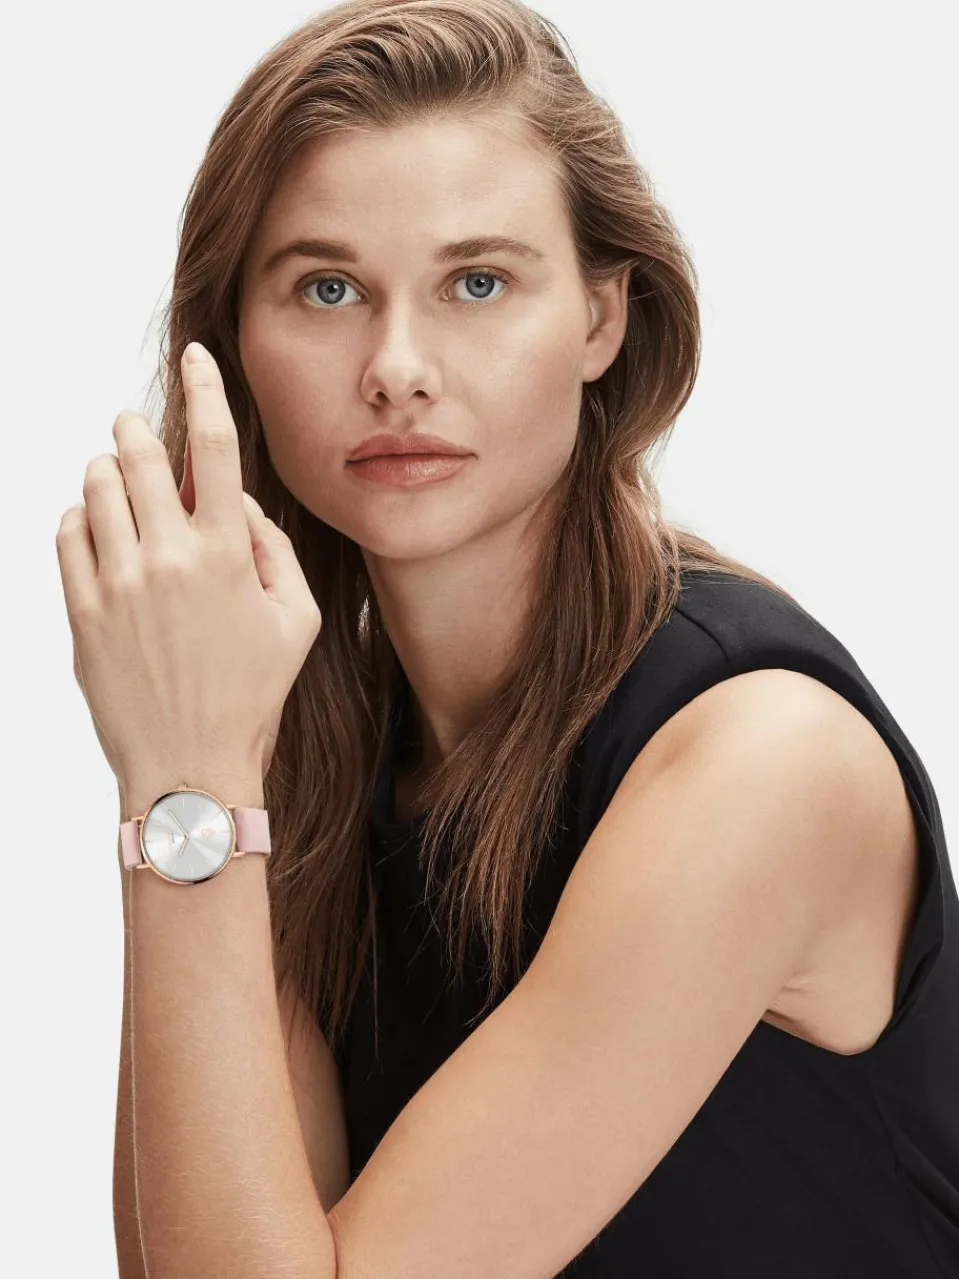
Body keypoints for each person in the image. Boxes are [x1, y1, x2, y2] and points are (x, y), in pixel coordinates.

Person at [116, 0, 959, 1274]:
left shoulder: (755, 761)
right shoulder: (289, 746)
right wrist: (195, 768)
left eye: (477, 282)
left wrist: (181, 788)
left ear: (601, 320)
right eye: (327, 288)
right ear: (230, 345)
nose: (397, 367)